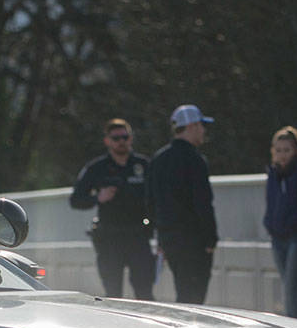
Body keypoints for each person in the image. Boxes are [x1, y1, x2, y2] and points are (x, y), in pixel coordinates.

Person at [69, 119, 154, 299]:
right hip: (110, 238)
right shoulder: (97, 168)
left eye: (125, 137)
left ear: (131, 139)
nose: (121, 141)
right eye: (116, 138)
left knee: (145, 292)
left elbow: (158, 199)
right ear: (107, 141)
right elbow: (76, 200)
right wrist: (97, 198)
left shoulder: (143, 165)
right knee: (113, 294)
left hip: (138, 236)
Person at [146, 104, 218, 304]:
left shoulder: (159, 159)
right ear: (192, 126)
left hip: (170, 240)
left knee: (183, 291)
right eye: (201, 126)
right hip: (194, 241)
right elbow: (203, 202)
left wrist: (160, 236)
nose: (203, 131)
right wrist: (210, 239)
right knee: (195, 298)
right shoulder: (195, 160)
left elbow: (151, 203)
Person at [263, 126, 297, 320]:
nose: (282, 155)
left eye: (286, 150)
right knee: (288, 286)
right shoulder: (273, 174)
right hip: (278, 238)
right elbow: (270, 203)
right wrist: (269, 223)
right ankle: (296, 324)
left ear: (296, 150)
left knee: (291, 288)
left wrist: (292, 222)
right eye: (278, 151)